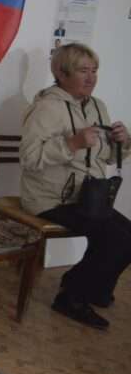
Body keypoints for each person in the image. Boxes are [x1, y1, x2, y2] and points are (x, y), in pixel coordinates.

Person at [20, 43, 131, 329]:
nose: (91, 78)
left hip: (88, 197)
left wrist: (122, 143)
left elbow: (106, 156)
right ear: (62, 73)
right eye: (83, 71)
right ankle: (71, 297)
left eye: (94, 71)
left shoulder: (98, 106)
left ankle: (91, 287)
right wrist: (71, 143)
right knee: (114, 238)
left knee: (126, 234)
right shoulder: (47, 108)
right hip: (50, 199)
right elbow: (29, 158)